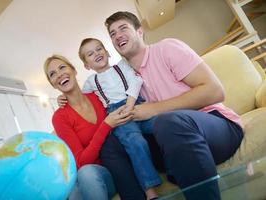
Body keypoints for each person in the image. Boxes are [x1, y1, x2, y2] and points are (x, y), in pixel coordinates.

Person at [100, 11, 244, 200]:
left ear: (140, 31)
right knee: (111, 145)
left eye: (123, 28)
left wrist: (155, 109)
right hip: (169, 143)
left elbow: (215, 91)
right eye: (112, 33)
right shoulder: (122, 79)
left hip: (216, 127)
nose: (117, 35)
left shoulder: (166, 49)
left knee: (168, 121)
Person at [43, 54, 144, 200]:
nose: (59, 74)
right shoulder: (60, 117)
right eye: (52, 74)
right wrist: (106, 125)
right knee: (76, 188)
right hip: (98, 173)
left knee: (81, 182)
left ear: (74, 70)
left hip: (120, 162)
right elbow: (82, 163)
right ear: (53, 84)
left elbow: (126, 93)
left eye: (62, 67)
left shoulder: (98, 94)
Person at [79, 37, 161, 199]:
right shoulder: (90, 82)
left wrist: (130, 103)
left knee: (163, 125)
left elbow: (136, 80)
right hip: (117, 114)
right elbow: (80, 99)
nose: (96, 53)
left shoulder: (122, 65)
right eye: (90, 54)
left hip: (136, 102)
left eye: (99, 49)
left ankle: (174, 169)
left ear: (108, 52)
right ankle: (149, 189)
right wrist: (64, 99)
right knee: (135, 142)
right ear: (87, 65)